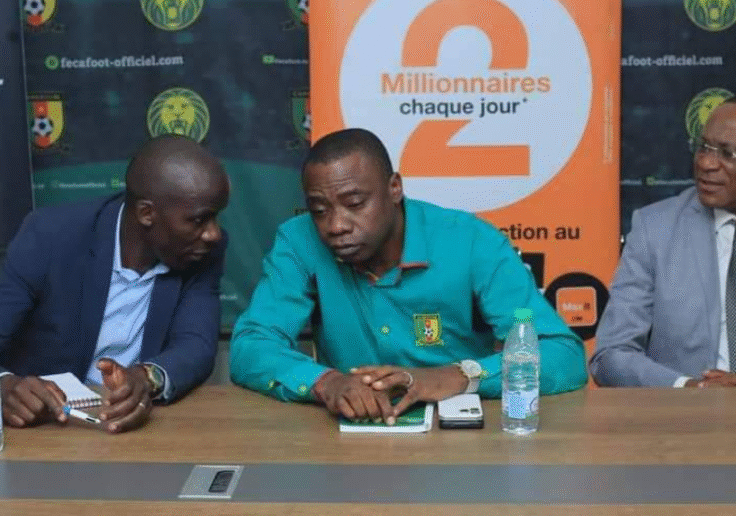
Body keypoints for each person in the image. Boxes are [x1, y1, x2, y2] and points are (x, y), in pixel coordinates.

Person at [230, 128, 586, 424]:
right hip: (351, 438)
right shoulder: (299, 242)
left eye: (355, 204)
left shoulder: (470, 241)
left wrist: (458, 376)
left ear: (394, 188)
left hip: (462, 439)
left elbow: (563, 355)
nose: (336, 225)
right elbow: (251, 345)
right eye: (320, 210)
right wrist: (325, 382)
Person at [0, 134, 230, 433]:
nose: (213, 234)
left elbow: (196, 344)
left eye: (216, 218)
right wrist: (5, 385)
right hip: (47, 429)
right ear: (147, 213)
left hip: (134, 433)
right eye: (199, 220)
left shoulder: (201, 250)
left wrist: (146, 378)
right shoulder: (49, 235)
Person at [590, 97, 736, 388]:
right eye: (704, 147)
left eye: (728, 154)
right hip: (687, 412)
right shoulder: (656, 229)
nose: (706, 163)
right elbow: (611, 356)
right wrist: (689, 387)